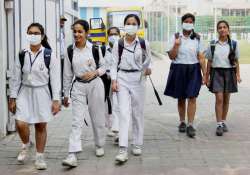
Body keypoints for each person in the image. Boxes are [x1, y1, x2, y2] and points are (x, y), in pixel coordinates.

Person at [8, 23, 61, 170]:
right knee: (20, 123)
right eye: (30, 32)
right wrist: (12, 97)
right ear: (26, 34)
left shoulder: (49, 55)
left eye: (36, 33)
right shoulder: (22, 54)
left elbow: (55, 79)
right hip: (25, 91)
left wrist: (56, 100)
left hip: (42, 92)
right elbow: (15, 78)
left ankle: (39, 157)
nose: (33, 35)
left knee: (40, 125)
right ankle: (25, 144)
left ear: (42, 36)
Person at [62, 20, 106, 167]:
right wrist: (65, 94)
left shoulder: (94, 48)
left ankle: (99, 144)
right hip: (78, 87)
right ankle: (72, 154)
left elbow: (105, 66)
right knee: (77, 121)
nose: (77, 34)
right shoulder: (69, 50)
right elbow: (67, 74)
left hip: (95, 85)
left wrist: (95, 72)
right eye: (74, 31)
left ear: (87, 33)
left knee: (97, 117)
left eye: (80, 31)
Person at [111, 14, 152, 163]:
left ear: (138, 26)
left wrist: (149, 69)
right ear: (124, 26)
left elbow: (149, 60)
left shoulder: (143, 43)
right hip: (122, 78)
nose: (130, 25)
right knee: (123, 113)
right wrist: (114, 81)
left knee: (137, 113)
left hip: (139, 79)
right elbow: (113, 63)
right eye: (128, 23)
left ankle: (137, 143)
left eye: (133, 23)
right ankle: (122, 148)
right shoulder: (118, 43)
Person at [164, 13, 206, 138]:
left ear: (193, 24)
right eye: (186, 21)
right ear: (182, 23)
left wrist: (205, 75)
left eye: (190, 21)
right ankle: (182, 122)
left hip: (193, 69)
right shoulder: (175, 36)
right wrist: (176, 45)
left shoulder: (197, 38)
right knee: (181, 97)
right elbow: (171, 56)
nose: (188, 23)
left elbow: (201, 57)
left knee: (192, 97)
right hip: (178, 68)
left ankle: (191, 125)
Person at [205, 20, 241, 136]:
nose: (222, 29)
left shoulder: (234, 44)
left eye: (224, 27)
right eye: (220, 27)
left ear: (228, 29)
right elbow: (209, 62)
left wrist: (238, 75)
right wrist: (207, 77)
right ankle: (219, 124)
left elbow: (236, 61)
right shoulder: (212, 44)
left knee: (226, 99)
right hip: (217, 73)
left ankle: (224, 121)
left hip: (229, 73)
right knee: (219, 98)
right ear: (217, 30)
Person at [105, 26, 121, 145]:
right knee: (108, 104)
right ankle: (110, 126)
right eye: (111, 34)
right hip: (106, 80)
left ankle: (119, 133)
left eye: (116, 34)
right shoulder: (102, 49)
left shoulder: (123, 48)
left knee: (118, 105)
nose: (113, 36)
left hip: (120, 80)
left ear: (119, 35)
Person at [60, 15, 67, 100]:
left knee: (63, 75)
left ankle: (62, 91)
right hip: (57, 58)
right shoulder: (54, 31)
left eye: (63, 21)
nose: (62, 23)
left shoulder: (62, 32)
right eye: (61, 21)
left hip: (62, 57)